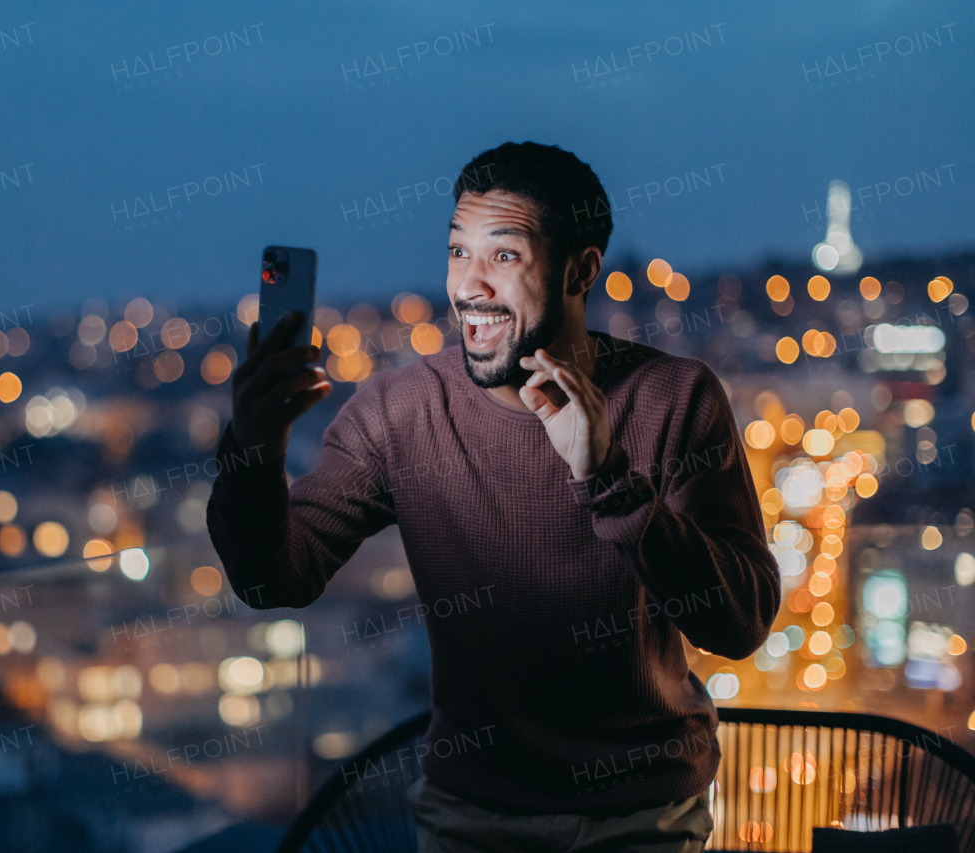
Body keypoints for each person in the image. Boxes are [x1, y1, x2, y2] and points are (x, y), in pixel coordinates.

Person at [206, 141, 780, 852]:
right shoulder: (402, 410)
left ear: (580, 269)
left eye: (503, 255)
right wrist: (253, 450)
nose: (468, 285)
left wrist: (608, 480)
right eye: (457, 252)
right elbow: (273, 578)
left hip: (644, 812)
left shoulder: (674, 397)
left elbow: (740, 622)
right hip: (472, 815)